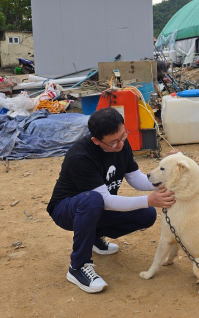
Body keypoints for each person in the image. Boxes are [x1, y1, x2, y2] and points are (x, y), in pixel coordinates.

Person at [47, 108, 175, 293]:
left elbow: (135, 178)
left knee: (146, 214)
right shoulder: (80, 156)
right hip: (66, 210)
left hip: (94, 206)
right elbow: (105, 201)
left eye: (123, 136)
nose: (120, 144)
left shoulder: (121, 142)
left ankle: (94, 237)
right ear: (96, 141)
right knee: (93, 200)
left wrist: (164, 182)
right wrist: (149, 199)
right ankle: (78, 267)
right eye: (113, 142)